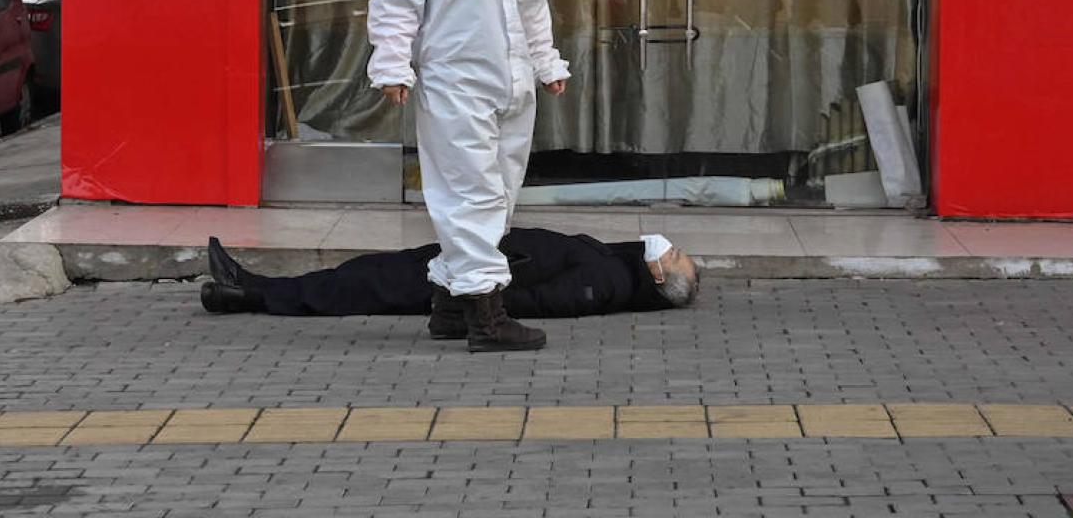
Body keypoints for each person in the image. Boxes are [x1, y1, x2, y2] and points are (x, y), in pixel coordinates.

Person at [366, 0, 571, 353]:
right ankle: (486, 315)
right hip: (454, 82)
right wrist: (392, 65)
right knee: (471, 195)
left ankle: (448, 303)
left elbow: (533, 6)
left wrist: (546, 62)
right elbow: (397, 1)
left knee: (499, 195)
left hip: (513, 83)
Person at [198, 230, 700, 322]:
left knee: (352, 288)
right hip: (467, 257)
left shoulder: (609, 283)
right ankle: (244, 289)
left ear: (659, 275)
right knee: (362, 274)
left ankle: (246, 292)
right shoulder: (615, 264)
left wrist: (474, 299)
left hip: (464, 277)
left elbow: (544, 300)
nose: (667, 245)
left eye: (673, 253)